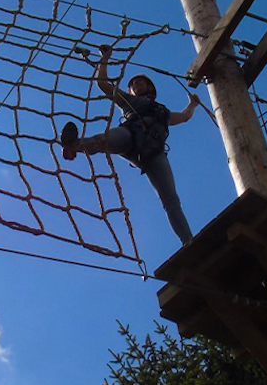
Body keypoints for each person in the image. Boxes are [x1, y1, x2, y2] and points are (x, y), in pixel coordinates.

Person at [60, 44, 201, 245]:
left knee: (170, 199)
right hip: (130, 134)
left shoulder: (163, 112)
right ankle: (75, 145)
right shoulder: (127, 101)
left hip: (154, 152)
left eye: (140, 82)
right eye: (133, 84)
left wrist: (193, 105)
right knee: (105, 139)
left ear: (150, 89)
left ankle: (188, 240)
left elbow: (184, 117)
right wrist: (105, 58)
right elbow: (103, 83)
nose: (137, 84)